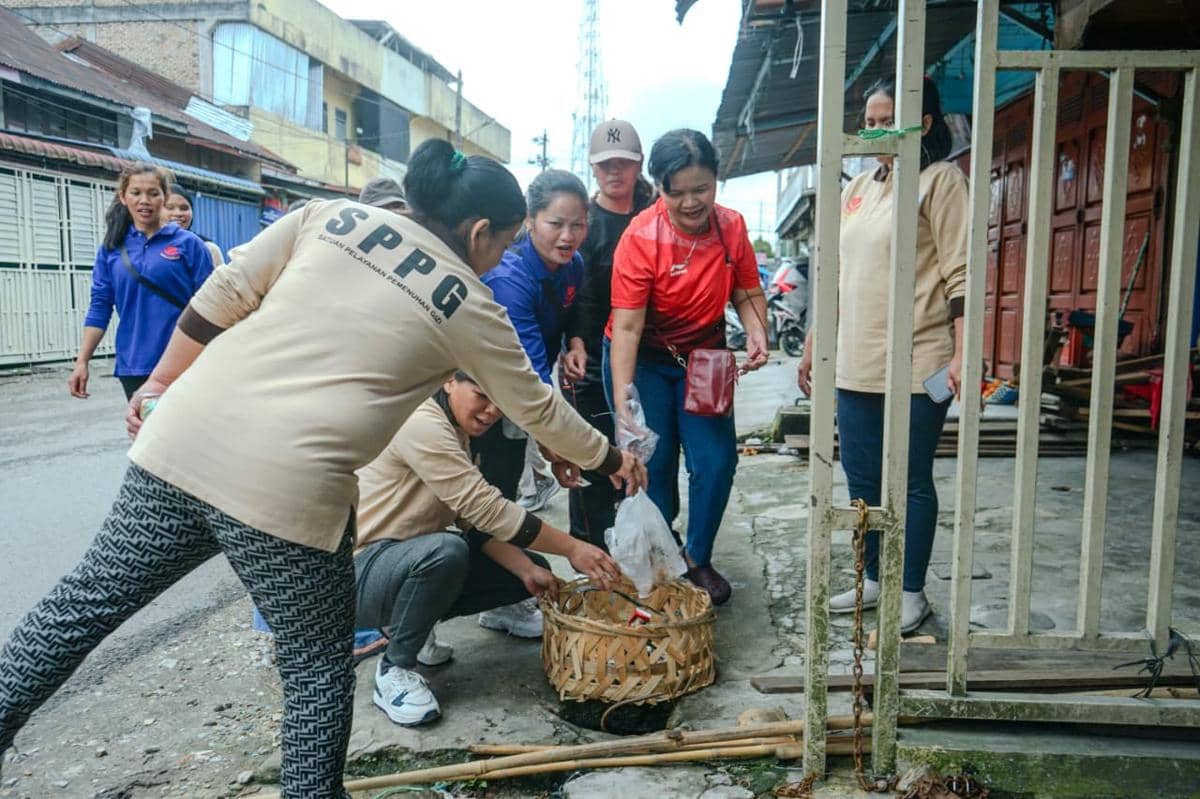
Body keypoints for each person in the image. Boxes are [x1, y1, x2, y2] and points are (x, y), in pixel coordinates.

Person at [0, 139, 646, 799]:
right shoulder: (469, 303)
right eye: (505, 243)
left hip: (182, 440)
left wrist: (159, 381)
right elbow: (538, 405)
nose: (503, 257)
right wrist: (611, 458)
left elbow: (227, 291)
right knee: (315, 671)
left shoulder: (331, 217)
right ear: (478, 231)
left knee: (80, 607)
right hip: (285, 490)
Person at [796, 76, 967, 633]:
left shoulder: (940, 181)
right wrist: (817, 343)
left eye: (885, 118)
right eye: (868, 120)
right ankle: (873, 579)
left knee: (911, 480)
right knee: (862, 480)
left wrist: (965, 355)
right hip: (856, 362)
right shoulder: (860, 187)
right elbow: (838, 274)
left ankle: (911, 590)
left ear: (922, 123)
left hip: (919, 360)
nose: (873, 130)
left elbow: (961, 272)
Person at [354, 372, 619, 726]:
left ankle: (424, 628)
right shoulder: (421, 423)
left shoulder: (459, 430)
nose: (491, 410)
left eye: (499, 401)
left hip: (406, 561)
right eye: (480, 395)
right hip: (362, 575)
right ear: (449, 382)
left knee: (528, 566)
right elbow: (487, 510)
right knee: (444, 553)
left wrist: (527, 570)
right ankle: (395, 670)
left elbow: (472, 523)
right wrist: (573, 548)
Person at [605, 129, 769, 606]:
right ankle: (663, 553)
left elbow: (746, 289)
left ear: (718, 181)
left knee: (716, 462)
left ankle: (697, 557)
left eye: (702, 189)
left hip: (705, 358)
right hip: (646, 358)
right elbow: (628, 328)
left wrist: (757, 331)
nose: (691, 202)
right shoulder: (641, 237)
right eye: (676, 192)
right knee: (653, 463)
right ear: (658, 187)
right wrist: (623, 401)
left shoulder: (731, 227)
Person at [473, 170, 590, 509]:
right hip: (491, 390)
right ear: (531, 220)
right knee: (493, 486)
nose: (568, 237)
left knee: (507, 484)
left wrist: (575, 344)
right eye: (556, 224)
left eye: (578, 225)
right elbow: (534, 376)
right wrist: (558, 447)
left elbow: (573, 307)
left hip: (527, 383)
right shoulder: (510, 278)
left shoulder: (573, 263)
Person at [563, 119, 655, 549]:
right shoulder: (582, 222)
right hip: (591, 358)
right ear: (593, 168)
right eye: (605, 165)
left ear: (638, 164)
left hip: (650, 355)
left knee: (649, 455)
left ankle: (644, 545)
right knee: (593, 456)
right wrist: (574, 344)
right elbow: (573, 294)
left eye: (623, 163)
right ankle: (592, 551)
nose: (614, 172)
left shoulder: (657, 213)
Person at [68, 164, 214, 402]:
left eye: (153, 193)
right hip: (135, 364)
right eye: (136, 193)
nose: (144, 200)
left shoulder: (189, 244)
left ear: (164, 198)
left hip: (186, 360)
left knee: (186, 436)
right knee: (147, 436)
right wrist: (82, 361)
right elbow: (100, 307)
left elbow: (212, 304)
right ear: (123, 198)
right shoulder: (111, 250)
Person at [163, 186, 226, 266]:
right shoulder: (147, 247)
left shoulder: (208, 248)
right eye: (170, 208)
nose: (178, 213)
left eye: (184, 208)